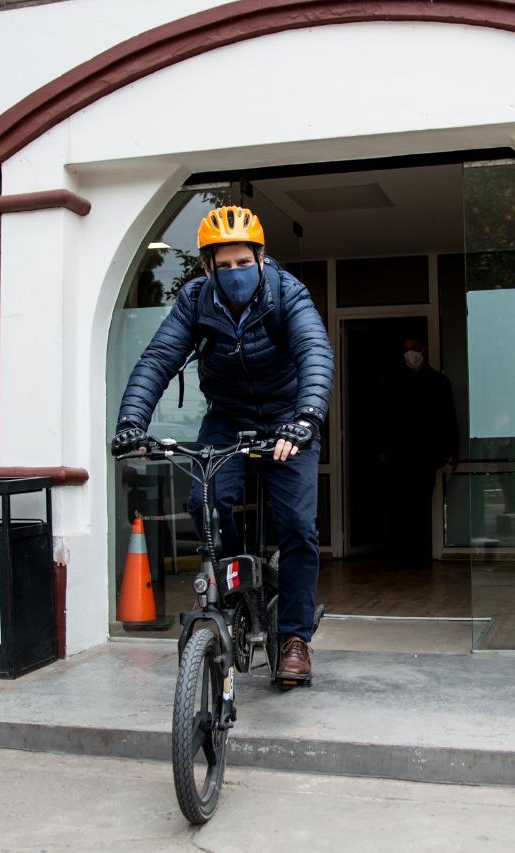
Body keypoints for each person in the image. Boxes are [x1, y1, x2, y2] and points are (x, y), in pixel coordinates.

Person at [111, 205, 333, 684]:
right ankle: (232, 584)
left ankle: (294, 637)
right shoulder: (195, 301)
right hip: (227, 418)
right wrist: (131, 421)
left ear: (260, 257)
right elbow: (158, 359)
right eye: (224, 265)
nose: (235, 273)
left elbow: (315, 350)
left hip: (287, 418)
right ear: (208, 267)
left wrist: (307, 418)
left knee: (296, 525)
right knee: (204, 503)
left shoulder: (286, 294)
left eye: (243, 262)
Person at [378, 337, 458, 567]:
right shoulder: (395, 380)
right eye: (406, 350)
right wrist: (382, 447)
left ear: (424, 350)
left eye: (413, 349)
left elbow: (448, 417)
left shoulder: (439, 381)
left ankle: (420, 553)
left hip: (426, 454)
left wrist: (452, 450)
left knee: (421, 502)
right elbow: (384, 416)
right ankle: (400, 553)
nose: (410, 354)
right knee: (399, 503)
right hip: (398, 454)